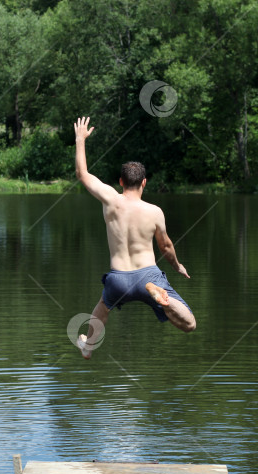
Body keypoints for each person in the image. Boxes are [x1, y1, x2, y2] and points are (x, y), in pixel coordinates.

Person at [73, 116, 196, 359]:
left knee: (103, 307)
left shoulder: (110, 200)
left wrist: (80, 139)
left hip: (118, 279)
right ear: (144, 183)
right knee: (189, 325)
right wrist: (178, 266)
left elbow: (82, 173)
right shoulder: (154, 212)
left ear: (120, 182)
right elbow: (166, 247)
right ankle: (165, 301)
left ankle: (88, 347)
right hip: (147, 275)